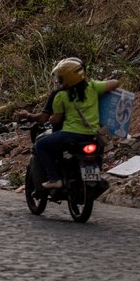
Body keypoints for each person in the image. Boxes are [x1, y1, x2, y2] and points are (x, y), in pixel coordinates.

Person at [32, 57, 118, 189]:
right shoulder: (93, 87)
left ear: (65, 79)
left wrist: (51, 119)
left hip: (71, 134)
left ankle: (55, 178)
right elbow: (115, 83)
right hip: (93, 135)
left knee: (40, 145)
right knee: (98, 154)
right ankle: (95, 177)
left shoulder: (60, 96)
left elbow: (56, 119)